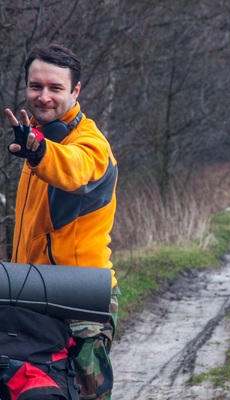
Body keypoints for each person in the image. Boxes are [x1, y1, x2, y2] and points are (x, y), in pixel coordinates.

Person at [4, 44, 119, 400]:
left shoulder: (89, 144)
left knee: (85, 395)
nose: (44, 96)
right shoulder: (36, 135)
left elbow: (74, 170)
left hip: (79, 300)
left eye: (56, 88)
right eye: (36, 86)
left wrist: (39, 151)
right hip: (32, 292)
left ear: (76, 91)